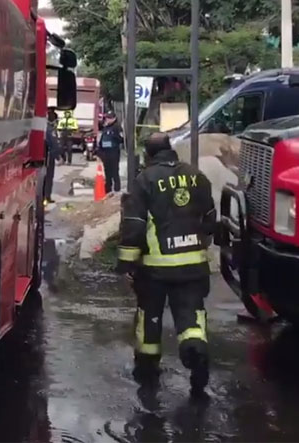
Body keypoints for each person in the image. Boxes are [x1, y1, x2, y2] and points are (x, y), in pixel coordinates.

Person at [116, 132, 216, 397]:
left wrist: (126, 265)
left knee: (150, 316)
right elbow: (209, 219)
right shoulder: (197, 176)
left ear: (148, 155)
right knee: (191, 314)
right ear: (170, 149)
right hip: (193, 266)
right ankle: (196, 350)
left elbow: (134, 227)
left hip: (154, 269)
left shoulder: (144, 181)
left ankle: (147, 370)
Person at [96, 113, 123, 193]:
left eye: (109, 118)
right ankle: (108, 188)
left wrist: (115, 136)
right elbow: (102, 140)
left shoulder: (117, 127)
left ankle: (117, 189)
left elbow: (121, 139)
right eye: (107, 118)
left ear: (114, 118)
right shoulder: (106, 128)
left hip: (113, 152)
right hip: (105, 153)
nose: (107, 119)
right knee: (107, 171)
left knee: (114, 171)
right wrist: (99, 151)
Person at [44, 111, 59, 205]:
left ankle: (45, 196)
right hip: (49, 156)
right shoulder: (50, 130)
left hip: (45, 156)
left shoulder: (44, 127)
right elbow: (54, 144)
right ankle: (47, 196)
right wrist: (58, 155)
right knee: (49, 177)